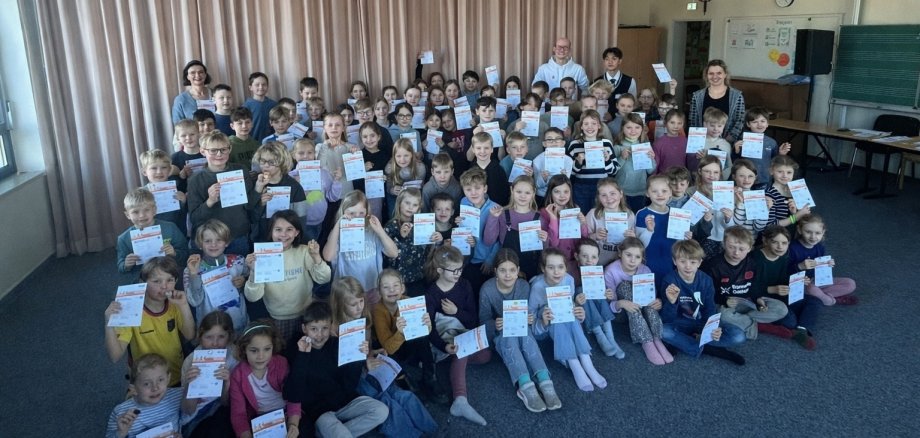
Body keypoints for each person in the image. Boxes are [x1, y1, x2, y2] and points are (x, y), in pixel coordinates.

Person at [478, 249, 562, 413]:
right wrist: (495, 324)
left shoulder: (523, 286)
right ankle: (525, 384)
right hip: (501, 334)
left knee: (523, 334)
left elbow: (525, 316)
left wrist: (530, 319)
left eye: (511, 270)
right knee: (509, 337)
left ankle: (544, 380)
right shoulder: (487, 289)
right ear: (495, 272)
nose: (507, 275)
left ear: (518, 271)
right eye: (502, 270)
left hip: (521, 331)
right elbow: (483, 321)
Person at [424, 246, 492, 426]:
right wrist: (444, 346)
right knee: (461, 350)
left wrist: (456, 312)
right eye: (453, 270)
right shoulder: (431, 293)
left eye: (460, 269)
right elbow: (429, 329)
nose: (458, 273)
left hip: (463, 330)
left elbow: (472, 319)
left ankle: (453, 360)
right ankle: (460, 400)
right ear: (439, 270)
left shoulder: (464, 285)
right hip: (442, 340)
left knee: (486, 356)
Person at [105, 257, 195, 387]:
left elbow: (189, 335)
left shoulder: (175, 303)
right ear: (143, 283)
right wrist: (109, 324)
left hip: (175, 375)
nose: (164, 286)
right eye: (156, 281)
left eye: (170, 280)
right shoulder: (131, 310)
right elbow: (115, 356)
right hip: (147, 382)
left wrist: (184, 305)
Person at [245, 210, 331, 340]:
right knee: (283, 353)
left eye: (289, 229)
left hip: (306, 314)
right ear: (271, 232)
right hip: (277, 317)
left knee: (305, 350)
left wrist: (316, 257)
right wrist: (253, 272)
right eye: (278, 229)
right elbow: (253, 297)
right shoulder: (262, 257)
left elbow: (324, 278)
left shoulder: (304, 251)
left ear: (296, 232)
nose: (283, 234)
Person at [659, 239, 747, 364]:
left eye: (693, 262)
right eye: (682, 261)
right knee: (662, 331)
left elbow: (710, 308)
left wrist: (713, 328)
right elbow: (667, 319)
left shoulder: (706, 280)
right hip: (680, 324)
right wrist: (672, 302)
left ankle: (686, 342)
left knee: (738, 336)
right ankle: (707, 349)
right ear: (675, 261)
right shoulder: (669, 280)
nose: (688, 266)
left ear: (699, 263)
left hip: (701, 323)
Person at [530, 248, 606, 391]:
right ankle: (573, 362)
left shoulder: (569, 280)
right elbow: (530, 318)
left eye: (560, 267)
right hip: (544, 327)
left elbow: (570, 307)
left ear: (566, 267)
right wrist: (543, 322)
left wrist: (579, 313)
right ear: (543, 269)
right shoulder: (537, 287)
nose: (556, 272)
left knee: (568, 310)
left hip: (565, 324)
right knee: (554, 311)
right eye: (551, 267)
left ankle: (586, 360)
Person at [703, 226, 788, 340]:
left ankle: (743, 322)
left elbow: (755, 284)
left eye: (741, 249)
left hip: (747, 301)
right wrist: (725, 300)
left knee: (781, 309)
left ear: (749, 248)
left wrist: (758, 298)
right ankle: (762, 327)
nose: (736, 252)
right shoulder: (713, 266)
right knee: (724, 315)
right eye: (731, 247)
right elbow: (707, 292)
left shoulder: (752, 263)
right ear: (723, 244)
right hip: (726, 304)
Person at [372, 269, 443, 402]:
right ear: (379, 292)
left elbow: (425, 332)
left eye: (395, 286)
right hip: (393, 350)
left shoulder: (409, 302)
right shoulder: (378, 310)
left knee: (422, 338)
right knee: (383, 353)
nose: (391, 290)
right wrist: (400, 333)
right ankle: (404, 378)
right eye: (386, 287)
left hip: (410, 347)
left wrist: (427, 325)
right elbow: (389, 348)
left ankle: (429, 377)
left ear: (403, 288)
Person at [188, 130, 262, 256]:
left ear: (230, 149)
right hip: (211, 242)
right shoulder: (195, 179)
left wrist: (258, 188)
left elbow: (248, 205)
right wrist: (210, 201)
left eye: (224, 149)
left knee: (239, 274)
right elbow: (194, 218)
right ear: (202, 151)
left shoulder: (241, 170)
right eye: (213, 150)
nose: (219, 154)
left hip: (237, 236)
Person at [605, 237, 672, 365]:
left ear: (642, 258)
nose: (632, 260)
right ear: (620, 254)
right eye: (628, 255)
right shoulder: (610, 271)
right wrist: (622, 303)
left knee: (649, 302)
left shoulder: (644, 270)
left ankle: (657, 339)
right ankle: (646, 341)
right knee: (624, 286)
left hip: (643, 310)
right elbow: (609, 306)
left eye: (637, 257)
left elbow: (650, 297)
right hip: (622, 312)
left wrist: (657, 301)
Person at [228, 320, 301, 438]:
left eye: (267, 349)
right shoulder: (238, 375)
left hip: (286, 413)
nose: (261, 356)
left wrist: (293, 424)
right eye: (254, 350)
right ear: (244, 350)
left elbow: (294, 396)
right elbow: (238, 414)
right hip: (259, 420)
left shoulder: (281, 364)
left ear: (273, 347)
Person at [754, 225, 821, 350]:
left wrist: (798, 280)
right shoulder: (756, 259)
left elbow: (783, 277)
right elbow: (749, 287)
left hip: (781, 294)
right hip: (762, 297)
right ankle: (768, 324)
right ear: (765, 241)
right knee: (790, 321)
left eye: (784, 243)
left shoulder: (784, 256)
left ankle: (802, 330)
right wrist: (772, 289)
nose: (780, 247)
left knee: (814, 301)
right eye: (775, 242)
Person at [322, 191, 400, 295]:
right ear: (343, 212)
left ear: (367, 213)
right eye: (351, 213)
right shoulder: (337, 233)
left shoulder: (372, 231)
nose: (357, 217)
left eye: (361, 213)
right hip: (347, 291)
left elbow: (394, 253)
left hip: (372, 288)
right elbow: (328, 256)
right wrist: (338, 225)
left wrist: (380, 230)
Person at [184, 219, 249, 333]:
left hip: (238, 325)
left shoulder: (238, 261)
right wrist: (194, 275)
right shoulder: (191, 269)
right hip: (210, 331)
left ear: (227, 242)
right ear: (200, 244)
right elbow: (195, 301)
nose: (213, 244)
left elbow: (252, 286)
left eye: (219, 240)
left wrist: (244, 281)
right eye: (208, 241)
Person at [180, 310, 238, 437]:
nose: (215, 343)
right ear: (200, 336)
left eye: (221, 337)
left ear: (229, 336)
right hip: (197, 415)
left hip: (222, 410)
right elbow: (188, 410)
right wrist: (191, 386)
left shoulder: (234, 356)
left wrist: (226, 384)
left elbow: (226, 403)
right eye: (209, 337)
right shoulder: (191, 360)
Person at [484, 175, 547, 280]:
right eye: (519, 192)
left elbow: (544, 252)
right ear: (512, 190)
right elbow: (488, 241)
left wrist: (545, 240)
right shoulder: (503, 214)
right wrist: (493, 218)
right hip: (505, 270)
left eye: (527, 193)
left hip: (530, 269)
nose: (523, 196)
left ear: (533, 193)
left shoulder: (539, 218)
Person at [105, 353, 184, 438]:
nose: (155, 388)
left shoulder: (178, 396)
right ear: (133, 388)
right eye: (146, 384)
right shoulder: (121, 412)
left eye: (160, 380)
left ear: (168, 378)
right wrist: (120, 433)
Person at [787, 213, 858, 306]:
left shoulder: (820, 247)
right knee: (812, 289)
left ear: (823, 232)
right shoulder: (792, 248)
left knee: (850, 284)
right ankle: (831, 300)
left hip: (815, 280)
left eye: (817, 233)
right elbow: (784, 272)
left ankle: (822, 296)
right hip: (799, 284)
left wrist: (827, 264)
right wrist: (800, 266)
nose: (813, 237)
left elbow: (820, 271)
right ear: (799, 230)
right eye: (808, 232)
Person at [116, 187, 188, 275]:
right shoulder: (123, 239)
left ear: (154, 210)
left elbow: (186, 252)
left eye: (146, 210)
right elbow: (121, 267)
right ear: (128, 215)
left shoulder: (170, 228)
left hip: (170, 272)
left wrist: (174, 253)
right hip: (143, 275)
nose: (142, 215)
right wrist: (126, 265)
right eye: (135, 212)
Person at [570, 239, 623, 358]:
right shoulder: (569, 271)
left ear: (598, 258)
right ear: (576, 256)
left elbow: (605, 296)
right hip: (579, 313)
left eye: (593, 257)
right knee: (580, 290)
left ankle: (610, 337)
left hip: (596, 307)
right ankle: (600, 335)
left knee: (601, 292)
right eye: (585, 256)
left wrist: (609, 295)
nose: (589, 260)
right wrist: (576, 302)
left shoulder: (598, 270)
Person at [385, 187, 443, 296]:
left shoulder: (422, 224)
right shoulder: (390, 226)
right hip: (399, 281)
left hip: (419, 277)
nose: (410, 207)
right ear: (399, 202)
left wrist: (436, 241)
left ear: (419, 207)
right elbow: (389, 256)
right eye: (407, 203)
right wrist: (401, 237)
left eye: (415, 205)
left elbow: (428, 252)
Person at [288, 138, 343, 242]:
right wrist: (295, 185)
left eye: (309, 152)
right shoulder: (290, 177)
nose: (305, 156)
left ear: (314, 154)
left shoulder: (324, 173)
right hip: (296, 222)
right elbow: (286, 203)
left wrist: (336, 181)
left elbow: (332, 197)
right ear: (293, 155)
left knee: (312, 248)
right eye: (301, 153)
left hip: (318, 221)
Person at [636, 175, 691, 276]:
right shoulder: (642, 214)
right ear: (647, 193)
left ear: (670, 192)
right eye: (654, 191)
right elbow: (639, 246)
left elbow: (679, 244)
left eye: (664, 191)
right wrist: (649, 230)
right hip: (647, 265)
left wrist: (685, 238)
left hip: (670, 264)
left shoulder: (676, 214)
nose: (660, 194)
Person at [457, 167, 501, 294]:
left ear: (485, 189)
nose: (473, 193)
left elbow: (498, 239)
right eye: (468, 189)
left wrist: (490, 259)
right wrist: (460, 224)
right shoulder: (463, 202)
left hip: (485, 260)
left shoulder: (495, 208)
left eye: (477, 188)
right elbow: (464, 230)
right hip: (468, 258)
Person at [568, 110, 621, 214]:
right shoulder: (574, 144)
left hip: (603, 188)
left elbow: (614, 170)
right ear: (581, 126)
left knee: (601, 216)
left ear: (599, 126)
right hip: (581, 188)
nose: (590, 127)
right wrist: (578, 161)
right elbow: (570, 172)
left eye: (593, 123)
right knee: (582, 216)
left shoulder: (606, 143)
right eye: (586, 124)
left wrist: (607, 160)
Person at [252, 142, 308, 239]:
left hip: (286, 239)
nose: (266, 165)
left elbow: (301, 220)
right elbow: (250, 218)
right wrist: (260, 204)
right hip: (262, 238)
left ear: (282, 163)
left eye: (271, 162)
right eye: (262, 161)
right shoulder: (255, 183)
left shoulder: (294, 187)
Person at [731, 106, 792, 187]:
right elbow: (735, 161)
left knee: (763, 198)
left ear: (767, 124)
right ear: (748, 124)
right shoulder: (742, 140)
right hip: (746, 179)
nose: (759, 124)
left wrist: (781, 154)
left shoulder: (771, 142)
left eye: (763, 121)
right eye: (755, 122)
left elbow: (775, 162)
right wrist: (736, 152)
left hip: (764, 179)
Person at [689, 59, 746, 144]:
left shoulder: (737, 96)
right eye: (711, 73)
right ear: (706, 76)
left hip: (727, 143)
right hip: (702, 143)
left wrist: (727, 141)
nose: (715, 76)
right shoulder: (697, 96)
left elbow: (740, 121)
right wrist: (698, 141)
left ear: (725, 75)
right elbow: (693, 121)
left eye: (719, 73)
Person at [585, 177, 636, 266]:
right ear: (599, 198)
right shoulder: (593, 214)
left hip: (621, 264)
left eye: (613, 193)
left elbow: (634, 243)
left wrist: (633, 237)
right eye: (604, 195)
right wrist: (595, 236)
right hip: (598, 262)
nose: (609, 198)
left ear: (620, 194)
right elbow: (584, 239)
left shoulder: (630, 215)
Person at [613, 113, 657, 212]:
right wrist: (622, 158)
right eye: (629, 127)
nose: (633, 131)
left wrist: (652, 159)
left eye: (637, 127)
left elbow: (650, 171)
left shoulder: (645, 146)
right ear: (622, 128)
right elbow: (612, 171)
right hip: (621, 191)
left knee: (637, 217)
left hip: (640, 191)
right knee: (624, 218)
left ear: (642, 129)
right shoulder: (618, 147)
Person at [540, 175, 588, 263]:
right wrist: (553, 219)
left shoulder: (575, 208)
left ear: (571, 192)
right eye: (557, 192)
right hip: (555, 260)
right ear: (550, 193)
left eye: (566, 191)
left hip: (575, 259)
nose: (562, 195)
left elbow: (584, 237)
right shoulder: (544, 213)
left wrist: (583, 224)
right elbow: (552, 244)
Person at [140, 149, 188, 236]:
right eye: (154, 168)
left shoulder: (177, 190)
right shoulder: (140, 194)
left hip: (176, 235)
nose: (159, 172)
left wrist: (183, 202)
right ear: (144, 172)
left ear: (169, 170)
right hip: (153, 236)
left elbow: (182, 217)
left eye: (164, 167)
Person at [172, 60, 212, 124]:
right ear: (187, 77)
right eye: (193, 73)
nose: (197, 75)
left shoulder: (216, 94)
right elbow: (178, 125)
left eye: (201, 72)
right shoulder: (181, 99)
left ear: (205, 75)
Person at [243, 72, 277, 142]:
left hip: (272, 142)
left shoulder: (274, 104)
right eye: (257, 85)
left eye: (264, 84)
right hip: (253, 142)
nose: (261, 87)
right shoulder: (246, 106)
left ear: (267, 86)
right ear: (250, 87)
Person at [653, 109, 689, 174]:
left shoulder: (686, 141)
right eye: (672, 122)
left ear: (683, 125)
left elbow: (689, 163)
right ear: (665, 123)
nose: (676, 126)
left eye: (679, 123)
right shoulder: (658, 143)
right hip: (664, 179)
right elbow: (655, 166)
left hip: (681, 179)